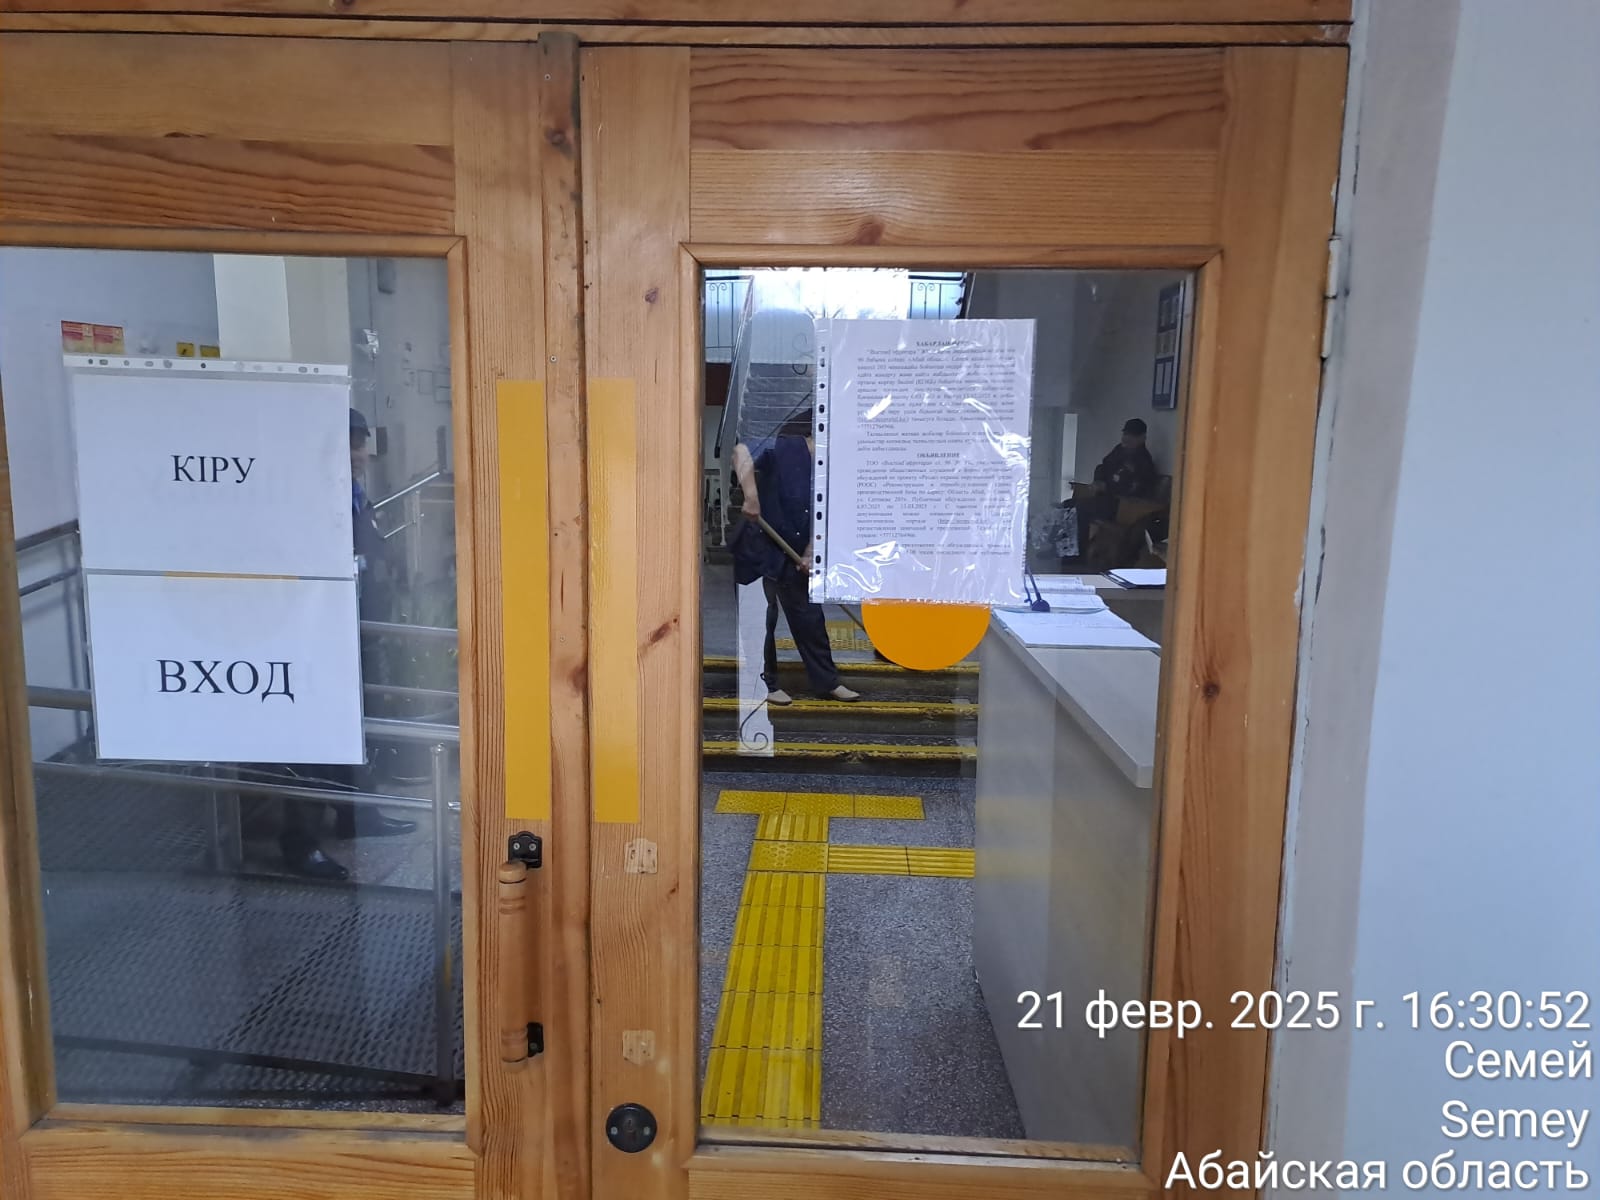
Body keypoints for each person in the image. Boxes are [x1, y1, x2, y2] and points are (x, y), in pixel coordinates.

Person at [275, 409, 417, 880]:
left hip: (356, 625)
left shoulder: (352, 492)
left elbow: (365, 545)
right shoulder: (306, 496)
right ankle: (300, 842)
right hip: (317, 632)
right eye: (349, 445)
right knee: (313, 732)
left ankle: (358, 813)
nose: (359, 454)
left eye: (361, 444)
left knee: (355, 724)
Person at [730, 421, 860, 705]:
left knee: (810, 617)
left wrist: (810, 551)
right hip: (759, 547)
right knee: (762, 617)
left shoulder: (832, 471)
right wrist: (751, 497)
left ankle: (827, 682)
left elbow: (824, 514)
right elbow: (740, 451)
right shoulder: (786, 447)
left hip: (794, 551)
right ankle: (763, 683)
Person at [1073, 417, 1159, 551]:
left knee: (1080, 508)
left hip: (1120, 506)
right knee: (1068, 505)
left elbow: (1134, 491)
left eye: (1132, 436)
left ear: (1142, 438)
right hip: (1105, 498)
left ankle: (1077, 552)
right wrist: (1099, 481)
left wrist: (1107, 487)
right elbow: (1102, 467)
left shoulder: (1144, 462)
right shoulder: (1119, 450)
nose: (1127, 438)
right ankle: (1060, 548)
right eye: (1126, 434)